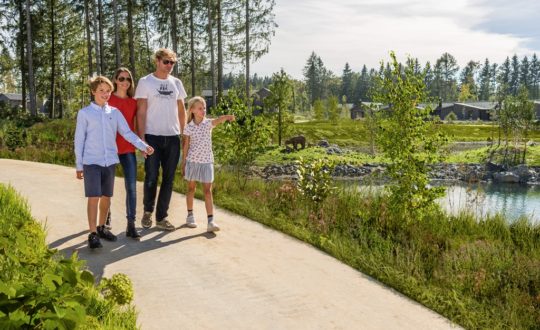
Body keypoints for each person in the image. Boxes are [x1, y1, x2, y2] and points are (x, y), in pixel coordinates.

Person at [74, 76, 154, 249]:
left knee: (106, 198)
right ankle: (93, 233)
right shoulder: (85, 113)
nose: (105, 93)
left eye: (108, 91)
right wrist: (79, 165)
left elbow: (127, 133)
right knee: (93, 197)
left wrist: (143, 145)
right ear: (93, 91)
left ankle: (102, 227)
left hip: (109, 161)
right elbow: (79, 140)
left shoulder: (115, 113)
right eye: (101, 90)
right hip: (91, 161)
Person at [135, 48, 187, 231]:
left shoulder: (177, 83)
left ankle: (162, 217)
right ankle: (147, 212)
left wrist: (184, 134)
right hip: (152, 137)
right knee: (151, 177)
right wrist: (141, 140)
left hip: (172, 137)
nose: (169, 66)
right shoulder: (145, 82)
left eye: (172, 62)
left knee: (169, 179)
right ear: (157, 61)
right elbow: (140, 112)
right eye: (166, 62)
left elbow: (181, 110)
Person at [181, 96, 235, 232]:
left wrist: (227, 117)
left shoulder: (208, 123)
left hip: (207, 162)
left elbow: (218, 120)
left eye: (204, 108)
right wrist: (183, 163)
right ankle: (190, 216)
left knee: (207, 191)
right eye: (200, 108)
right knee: (191, 189)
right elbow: (186, 146)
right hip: (192, 162)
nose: (203, 110)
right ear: (192, 110)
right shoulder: (188, 127)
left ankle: (211, 221)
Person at [108, 67, 141, 240]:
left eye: (128, 79)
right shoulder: (108, 99)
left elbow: (135, 125)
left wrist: (142, 144)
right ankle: (105, 221)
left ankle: (131, 224)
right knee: (107, 187)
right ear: (115, 80)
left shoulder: (133, 103)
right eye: (121, 79)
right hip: (109, 149)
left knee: (131, 187)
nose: (125, 82)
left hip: (128, 148)